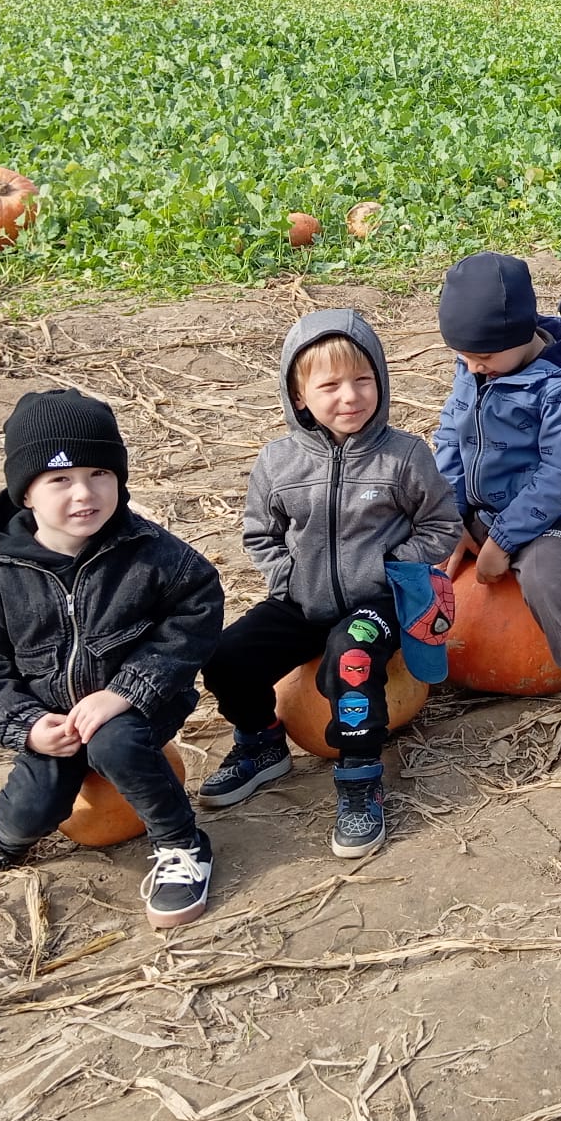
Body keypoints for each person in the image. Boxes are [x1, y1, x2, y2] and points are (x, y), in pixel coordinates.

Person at [0, 389, 220, 928]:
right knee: (37, 800)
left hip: (140, 704)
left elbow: (196, 609)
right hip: (52, 719)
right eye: (60, 480)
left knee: (117, 742)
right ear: (26, 493)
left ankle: (182, 844)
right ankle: (3, 841)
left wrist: (126, 691)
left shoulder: (150, 552)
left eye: (100, 473)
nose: (85, 493)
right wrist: (26, 726)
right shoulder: (1, 582)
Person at [200, 311, 461, 857]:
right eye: (331, 385)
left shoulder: (404, 456)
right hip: (302, 601)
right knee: (226, 656)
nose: (351, 396)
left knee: (352, 659)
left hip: (378, 603)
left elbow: (441, 524)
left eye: (363, 380)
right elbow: (259, 533)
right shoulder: (277, 462)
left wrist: (392, 564)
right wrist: (288, 577)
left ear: (381, 382)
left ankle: (360, 779)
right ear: (300, 397)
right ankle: (261, 742)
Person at [433, 252, 561, 774]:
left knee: (544, 576)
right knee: (411, 543)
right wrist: (450, 518)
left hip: (554, 518)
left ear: (521, 337)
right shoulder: (477, 362)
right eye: (464, 356)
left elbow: (560, 476)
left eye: (483, 358)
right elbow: (450, 437)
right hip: (482, 507)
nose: (473, 367)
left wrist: (502, 543)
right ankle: (405, 668)